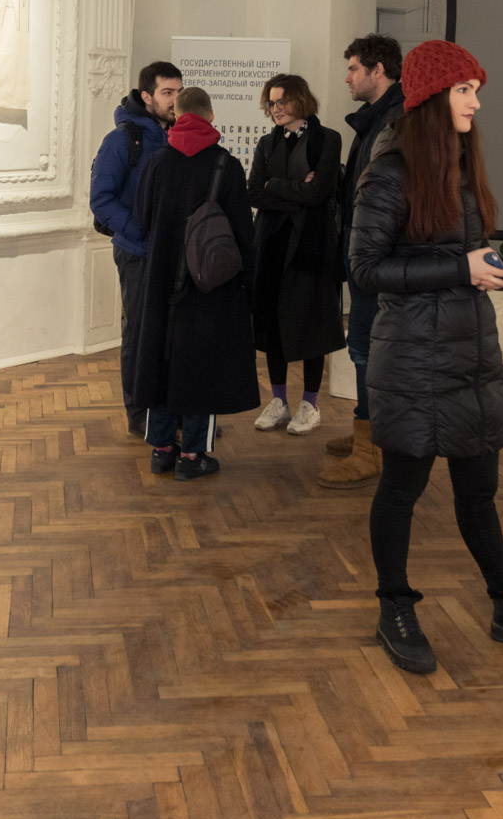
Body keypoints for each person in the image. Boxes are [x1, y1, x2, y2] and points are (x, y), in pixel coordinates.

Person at [354, 40, 503, 676]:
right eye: (464, 90)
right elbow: (366, 269)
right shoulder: (390, 171)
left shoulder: (458, 163)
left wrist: (495, 268)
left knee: (479, 489)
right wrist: (460, 268)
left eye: (476, 90)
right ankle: (394, 606)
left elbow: (455, 253)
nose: (476, 103)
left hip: (467, 351)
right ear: (433, 96)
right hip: (413, 358)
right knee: (401, 488)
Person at [130, 87, 258, 481]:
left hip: (161, 280)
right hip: (209, 284)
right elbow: (243, 233)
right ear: (211, 116)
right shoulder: (226, 165)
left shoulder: (157, 161)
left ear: (176, 115)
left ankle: (161, 450)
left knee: (161, 360)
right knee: (203, 365)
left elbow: (142, 219)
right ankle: (192, 456)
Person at [320, 33, 404, 487]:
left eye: (354, 68)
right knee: (363, 344)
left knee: (367, 345)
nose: (347, 77)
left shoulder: (396, 118)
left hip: (376, 249)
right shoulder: (376, 118)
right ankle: (365, 431)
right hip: (363, 242)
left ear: (378, 70)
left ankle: (372, 447)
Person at [247, 74, 345, 436]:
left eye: (282, 102)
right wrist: (293, 190)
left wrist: (275, 187)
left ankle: (310, 404)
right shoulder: (266, 143)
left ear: (300, 100)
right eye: (271, 103)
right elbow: (254, 192)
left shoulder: (327, 139)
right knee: (273, 325)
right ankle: (278, 401)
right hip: (272, 245)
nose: (276, 109)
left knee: (311, 324)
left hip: (312, 246)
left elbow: (319, 193)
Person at [90, 62, 183, 436]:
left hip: (175, 254)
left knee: (173, 334)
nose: (176, 100)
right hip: (138, 254)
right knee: (140, 335)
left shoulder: (178, 136)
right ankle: (140, 413)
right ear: (146, 96)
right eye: (167, 93)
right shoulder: (122, 140)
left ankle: (174, 412)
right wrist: (141, 233)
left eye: (179, 92)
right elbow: (101, 199)